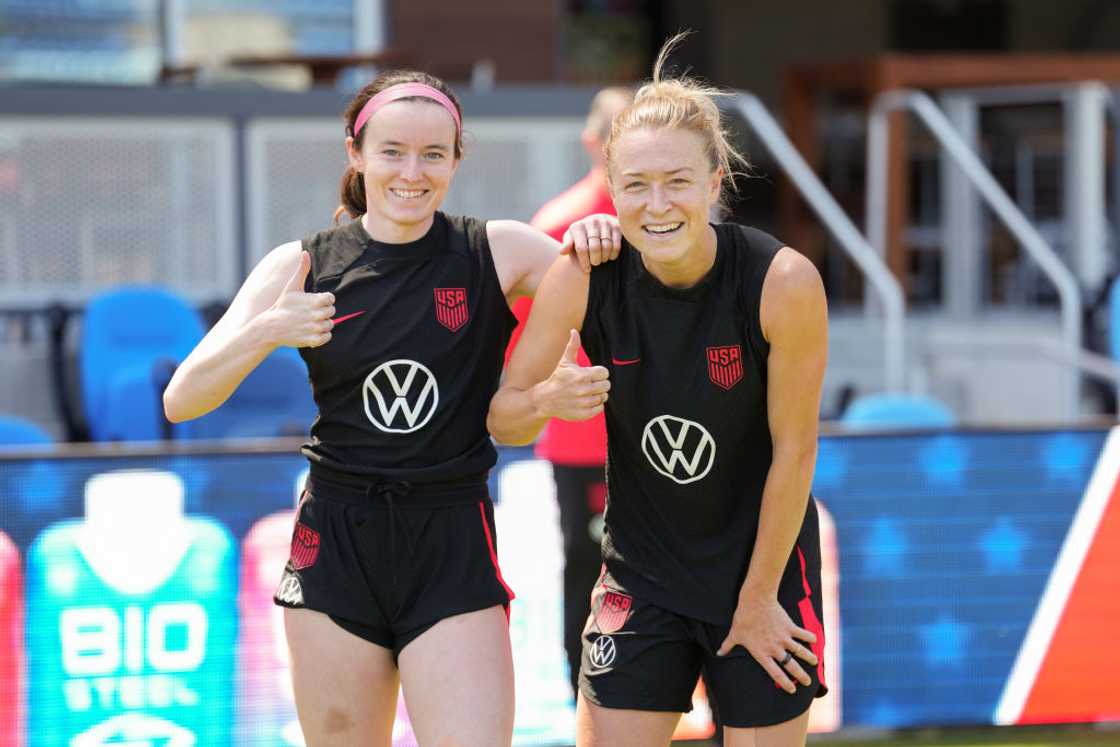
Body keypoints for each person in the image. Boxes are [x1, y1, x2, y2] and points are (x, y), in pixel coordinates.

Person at [162, 69, 620, 747]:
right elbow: (181, 399)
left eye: (434, 154)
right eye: (392, 151)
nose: (413, 171)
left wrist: (596, 244)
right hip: (336, 549)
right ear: (356, 152)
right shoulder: (302, 265)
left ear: (457, 161)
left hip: (451, 541)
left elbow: (624, 310)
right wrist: (266, 330)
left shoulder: (495, 250)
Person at [487, 33, 829, 747]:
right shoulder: (585, 272)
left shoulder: (782, 282)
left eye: (677, 180)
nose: (657, 203)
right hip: (642, 578)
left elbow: (795, 453)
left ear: (715, 181)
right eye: (636, 184)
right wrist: (551, 398)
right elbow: (505, 418)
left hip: (761, 569)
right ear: (610, 188)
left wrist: (761, 597)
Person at [510, 85, 633, 699]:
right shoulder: (559, 226)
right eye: (616, 136)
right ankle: (584, 697)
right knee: (591, 571)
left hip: (663, 436)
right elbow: (522, 355)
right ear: (592, 141)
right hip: (585, 442)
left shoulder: (671, 220)